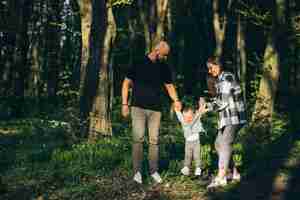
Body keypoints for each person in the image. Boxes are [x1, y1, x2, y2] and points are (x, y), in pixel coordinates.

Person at [121, 41, 182, 184]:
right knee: (138, 139)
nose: (165, 58)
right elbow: (126, 83)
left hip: (156, 110)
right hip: (138, 107)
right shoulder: (138, 62)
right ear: (156, 50)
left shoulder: (164, 67)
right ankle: (137, 173)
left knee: (154, 141)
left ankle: (153, 171)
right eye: (164, 55)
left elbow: (169, 86)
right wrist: (124, 104)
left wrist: (176, 100)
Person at [203, 57, 247, 188]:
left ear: (217, 65)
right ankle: (234, 173)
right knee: (218, 143)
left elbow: (223, 102)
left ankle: (221, 177)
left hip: (234, 117)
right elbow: (219, 100)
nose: (210, 71)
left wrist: (207, 108)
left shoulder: (227, 77)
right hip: (227, 117)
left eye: (211, 68)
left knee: (225, 142)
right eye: (208, 69)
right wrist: (207, 104)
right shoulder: (220, 80)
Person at [174, 101, 206, 177]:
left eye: (190, 117)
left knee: (196, 156)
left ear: (193, 115)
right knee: (187, 155)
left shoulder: (196, 119)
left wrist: (201, 109)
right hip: (188, 142)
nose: (188, 119)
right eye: (186, 117)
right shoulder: (183, 122)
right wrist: (177, 111)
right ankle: (186, 168)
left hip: (196, 142)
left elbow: (199, 114)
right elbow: (180, 116)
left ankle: (198, 168)